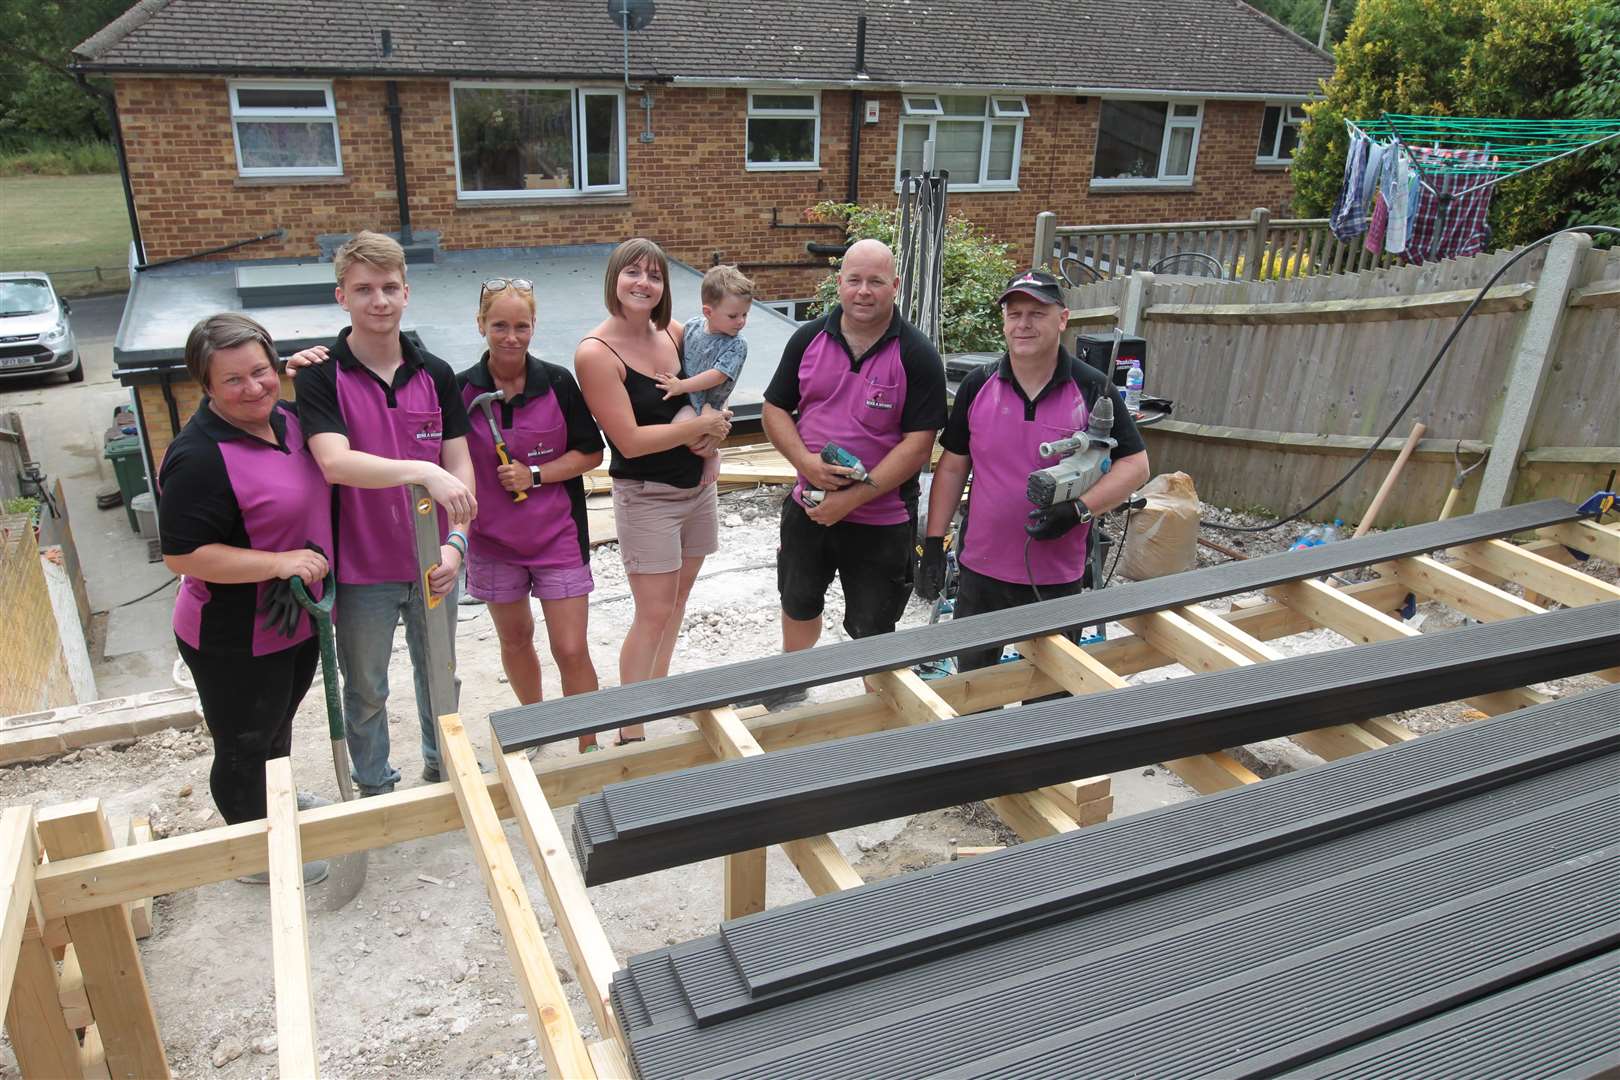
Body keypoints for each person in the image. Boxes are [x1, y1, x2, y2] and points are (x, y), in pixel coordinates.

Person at [292, 231, 478, 794]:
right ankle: (374, 785)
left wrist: (457, 543)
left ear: (407, 292)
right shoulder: (322, 375)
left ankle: (444, 768)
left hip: (433, 562)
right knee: (367, 687)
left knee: (440, 676)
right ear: (340, 297)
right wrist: (420, 470)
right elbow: (335, 463)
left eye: (390, 287)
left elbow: (460, 469)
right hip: (361, 569)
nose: (379, 300)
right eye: (364, 289)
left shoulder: (436, 373)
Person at [159, 313, 332, 884]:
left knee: (277, 720)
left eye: (260, 371)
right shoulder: (198, 457)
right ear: (205, 387)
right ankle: (252, 848)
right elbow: (182, 555)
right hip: (232, 632)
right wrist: (279, 563)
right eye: (232, 380)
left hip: (293, 617)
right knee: (242, 740)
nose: (253, 387)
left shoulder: (287, 418)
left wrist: (316, 371)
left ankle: (273, 804)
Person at [916, 269, 1150, 673]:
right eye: (1014, 313)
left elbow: (1135, 465)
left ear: (1062, 319)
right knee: (977, 689)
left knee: (1047, 694)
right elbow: (952, 468)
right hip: (981, 569)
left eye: (1037, 313)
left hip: (1055, 575)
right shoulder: (977, 386)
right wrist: (935, 545)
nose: (1023, 324)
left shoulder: (1092, 390)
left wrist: (1080, 510)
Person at [760, 238, 947, 686]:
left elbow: (919, 445)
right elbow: (774, 410)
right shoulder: (807, 339)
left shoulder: (916, 355)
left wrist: (855, 499)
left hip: (881, 521)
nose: (864, 291)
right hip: (809, 509)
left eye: (876, 281)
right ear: (839, 283)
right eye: (855, 280)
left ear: (895, 286)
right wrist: (805, 459)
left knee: (873, 627)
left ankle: (877, 707)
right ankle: (793, 685)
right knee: (798, 602)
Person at [574, 238, 731, 741]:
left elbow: (710, 392)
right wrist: (702, 427)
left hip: (696, 488)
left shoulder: (676, 331)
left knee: (679, 600)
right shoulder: (596, 353)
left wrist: (714, 441)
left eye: (655, 275)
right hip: (647, 496)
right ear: (613, 280)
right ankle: (630, 728)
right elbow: (630, 441)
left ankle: (655, 693)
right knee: (653, 610)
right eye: (632, 273)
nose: (643, 283)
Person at [457, 278, 608, 752]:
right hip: (491, 542)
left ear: (534, 326)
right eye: (499, 325)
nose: (511, 337)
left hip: (556, 538)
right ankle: (538, 728)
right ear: (481, 325)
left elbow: (590, 453)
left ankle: (587, 744)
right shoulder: (459, 390)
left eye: (521, 326)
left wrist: (535, 474)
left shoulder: (558, 382)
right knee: (517, 640)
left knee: (570, 647)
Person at [656, 264, 754, 486]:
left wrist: (681, 386)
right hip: (690, 398)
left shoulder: (737, 344)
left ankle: (711, 454)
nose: (741, 321)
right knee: (678, 429)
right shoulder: (691, 326)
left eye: (745, 314)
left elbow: (717, 375)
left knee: (680, 428)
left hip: (708, 402)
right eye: (733, 315)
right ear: (708, 312)